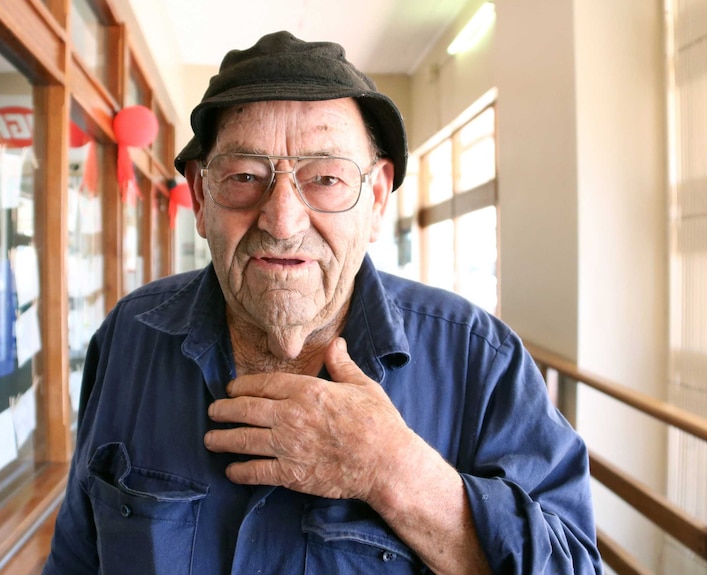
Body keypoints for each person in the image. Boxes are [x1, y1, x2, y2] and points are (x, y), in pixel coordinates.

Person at [43, 30, 602, 574]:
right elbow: (75, 556)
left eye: (326, 178)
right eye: (243, 175)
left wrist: (392, 471)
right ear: (199, 195)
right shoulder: (130, 335)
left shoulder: (479, 359)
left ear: (376, 198)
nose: (282, 220)